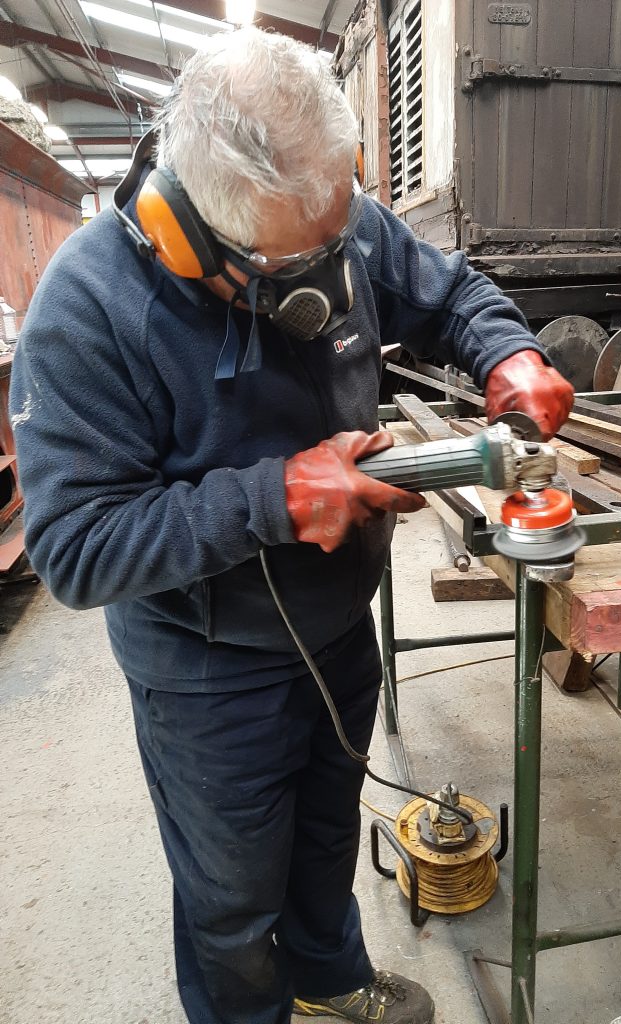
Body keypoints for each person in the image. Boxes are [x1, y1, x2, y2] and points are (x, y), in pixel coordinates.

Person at [9, 26, 573, 1024]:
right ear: (200, 236)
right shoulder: (86, 311)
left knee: (324, 832)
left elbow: (446, 295)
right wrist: (274, 499)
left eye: (338, 233)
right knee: (230, 895)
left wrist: (507, 352)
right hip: (206, 669)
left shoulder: (334, 218)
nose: (334, 267)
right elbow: (75, 546)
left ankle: (328, 979)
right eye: (296, 257)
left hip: (338, 620)